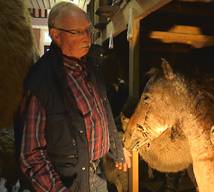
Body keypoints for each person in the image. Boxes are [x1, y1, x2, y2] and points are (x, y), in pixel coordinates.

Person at [15, 2, 131, 192]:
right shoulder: (41, 82)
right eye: (78, 32)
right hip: (70, 183)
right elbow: (31, 156)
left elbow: (104, 112)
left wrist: (117, 150)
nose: (88, 37)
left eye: (88, 30)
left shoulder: (91, 66)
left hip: (97, 172)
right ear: (56, 35)